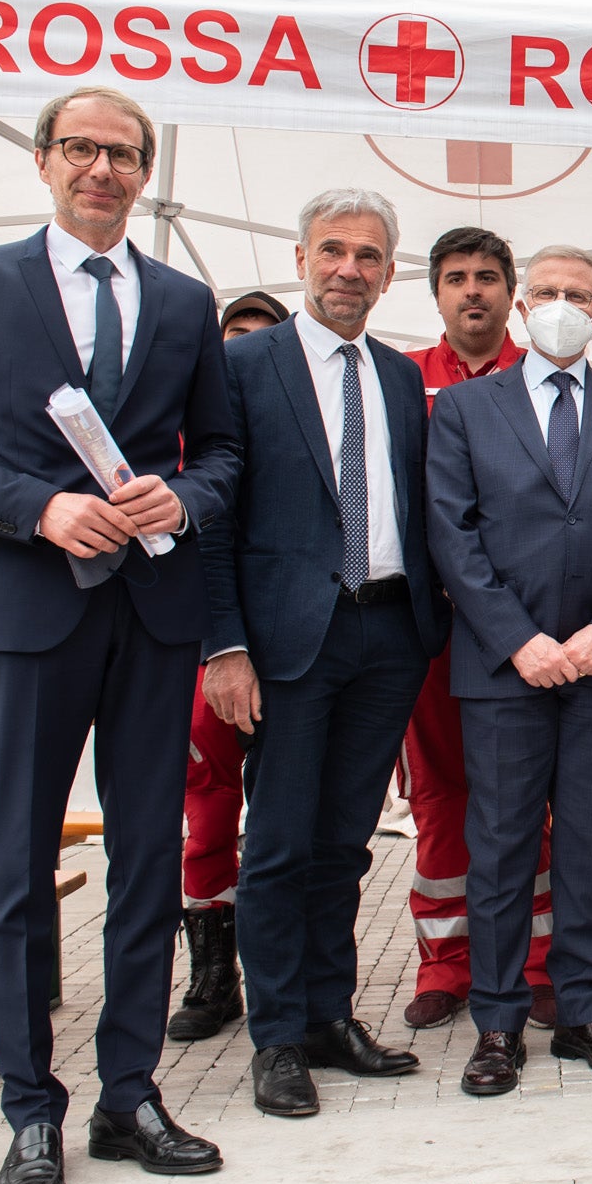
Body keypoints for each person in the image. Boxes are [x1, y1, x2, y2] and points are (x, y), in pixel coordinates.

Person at [0, 85, 240, 1184]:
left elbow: (226, 457)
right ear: (46, 160)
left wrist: (181, 497)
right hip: (25, 611)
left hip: (151, 614)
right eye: (83, 148)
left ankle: (129, 1091)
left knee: (152, 857)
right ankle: (30, 1111)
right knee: (15, 868)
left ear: (146, 173)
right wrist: (35, 508)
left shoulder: (187, 303)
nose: (103, 168)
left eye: (124, 153)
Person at [202, 189, 449, 1117]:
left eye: (370, 256)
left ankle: (324, 1014)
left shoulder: (394, 375)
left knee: (344, 843)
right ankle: (274, 1037)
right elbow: (213, 521)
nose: (350, 268)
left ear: (390, 274)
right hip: (285, 642)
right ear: (300, 256)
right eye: (334, 251)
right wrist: (223, 645)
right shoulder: (242, 366)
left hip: (388, 633)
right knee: (276, 843)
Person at [426, 245, 592, 1094]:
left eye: (578, 294)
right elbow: (451, 535)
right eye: (547, 292)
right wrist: (517, 638)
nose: (561, 304)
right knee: (497, 847)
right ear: (521, 308)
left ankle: (582, 1010)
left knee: (586, 845)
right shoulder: (462, 409)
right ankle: (496, 1023)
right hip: (505, 669)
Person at [397, 226, 556, 1034]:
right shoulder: (402, 381)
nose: (473, 290)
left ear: (510, 292)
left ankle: (535, 966)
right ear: (436, 292)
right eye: (456, 276)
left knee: (534, 805)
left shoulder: (545, 379)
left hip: (528, 633)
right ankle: (445, 965)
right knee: (440, 801)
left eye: (488, 276)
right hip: (434, 636)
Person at [168, 289, 292, 1045]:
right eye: (232, 339)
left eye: (259, 340)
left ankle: (292, 972)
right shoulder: (190, 438)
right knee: (208, 813)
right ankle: (214, 975)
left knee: (289, 822)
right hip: (210, 652)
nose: (243, 353)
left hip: (294, 650)